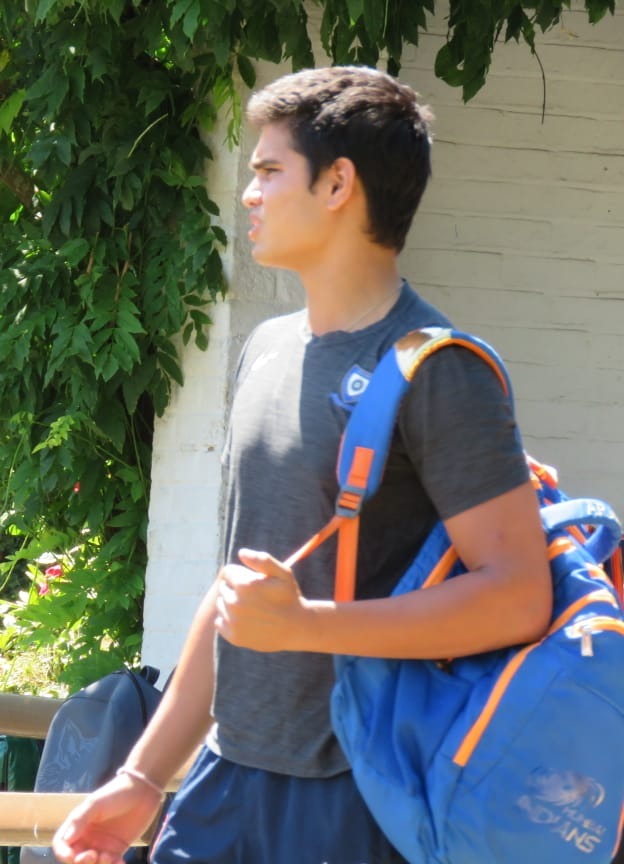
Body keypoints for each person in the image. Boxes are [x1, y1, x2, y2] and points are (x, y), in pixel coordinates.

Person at [52, 65, 553, 864]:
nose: (249, 193)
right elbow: (238, 591)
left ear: (338, 185)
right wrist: (145, 776)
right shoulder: (267, 350)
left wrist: (307, 626)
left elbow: (519, 595)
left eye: (269, 170)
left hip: (357, 799)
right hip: (223, 781)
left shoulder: (440, 369)